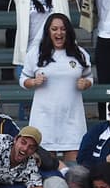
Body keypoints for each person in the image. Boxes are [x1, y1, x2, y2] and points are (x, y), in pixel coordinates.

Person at [19, 13, 92, 159]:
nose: (59, 33)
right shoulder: (35, 54)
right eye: (54, 29)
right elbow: (23, 79)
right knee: (47, 168)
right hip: (44, 120)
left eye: (63, 29)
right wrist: (33, 82)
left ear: (68, 32)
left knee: (73, 171)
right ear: (48, 31)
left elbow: (89, 77)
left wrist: (86, 83)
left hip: (72, 120)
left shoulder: (80, 54)